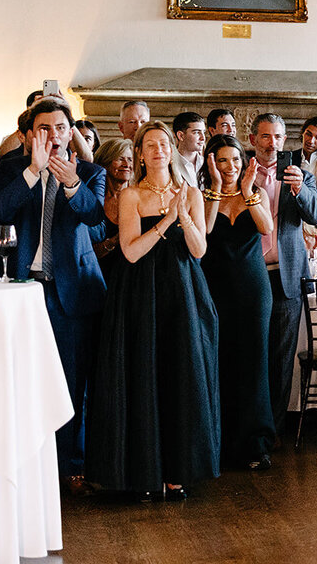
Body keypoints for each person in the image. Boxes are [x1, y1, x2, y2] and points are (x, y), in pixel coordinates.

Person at [86, 121, 217, 501]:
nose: (158, 149)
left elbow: (198, 250)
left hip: (183, 294)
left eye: (163, 143)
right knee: (144, 375)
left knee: (180, 375)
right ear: (140, 153)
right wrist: (165, 220)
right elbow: (129, 251)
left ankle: (178, 472)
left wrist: (186, 215)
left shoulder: (190, 192)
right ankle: (144, 472)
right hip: (140, 294)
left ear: (171, 150)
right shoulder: (131, 197)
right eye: (150, 144)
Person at [0, 97, 106, 493]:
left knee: (72, 381)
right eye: (44, 128)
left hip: (71, 290)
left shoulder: (90, 171)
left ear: (70, 132)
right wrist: (33, 172)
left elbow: (97, 220)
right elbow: (1, 212)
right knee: (22, 379)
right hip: (22, 290)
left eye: (60, 128)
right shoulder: (9, 168)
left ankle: (70, 465)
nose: (53, 135)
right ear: (28, 135)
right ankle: (26, 463)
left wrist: (72, 183)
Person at [247, 113, 317, 439]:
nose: (272, 144)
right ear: (253, 140)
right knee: (252, 353)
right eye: (265, 137)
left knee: (280, 359)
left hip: (287, 275)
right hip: (250, 274)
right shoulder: (241, 172)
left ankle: (273, 431)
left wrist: (299, 190)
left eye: (278, 137)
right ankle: (248, 429)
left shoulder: (300, 176)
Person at [201, 133, 275, 471]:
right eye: (221, 160)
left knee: (254, 362)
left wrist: (247, 193)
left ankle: (256, 442)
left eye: (234, 160)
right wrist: (217, 187)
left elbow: (265, 227)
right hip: (215, 287)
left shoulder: (254, 193)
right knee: (219, 361)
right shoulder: (203, 196)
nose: (229, 166)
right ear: (210, 164)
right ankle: (217, 441)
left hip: (252, 287)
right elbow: (203, 231)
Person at [89, 138, 134, 274]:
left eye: (130, 160)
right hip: (97, 274)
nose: (126, 164)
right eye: (120, 159)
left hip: (131, 274)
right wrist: (113, 242)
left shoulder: (139, 198)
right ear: (104, 163)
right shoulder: (93, 200)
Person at [172, 111, 207, 188]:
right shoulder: (169, 165)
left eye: (203, 132)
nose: (203, 138)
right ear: (181, 136)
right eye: (196, 132)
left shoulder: (207, 163)